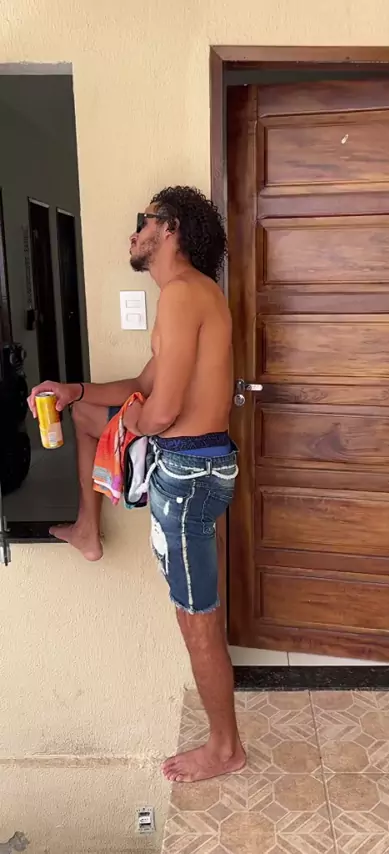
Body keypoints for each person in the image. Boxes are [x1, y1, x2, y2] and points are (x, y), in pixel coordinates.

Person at [28, 186, 245, 783]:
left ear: (169, 228)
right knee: (83, 415)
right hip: (194, 467)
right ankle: (87, 527)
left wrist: (130, 425)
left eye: (142, 221)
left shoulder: (182, 294)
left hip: (189, 475)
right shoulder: (190, 294)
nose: (134, 231)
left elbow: (161, 410)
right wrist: (75, 391)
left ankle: (225, 748)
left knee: (197, 617)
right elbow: (144, 385)